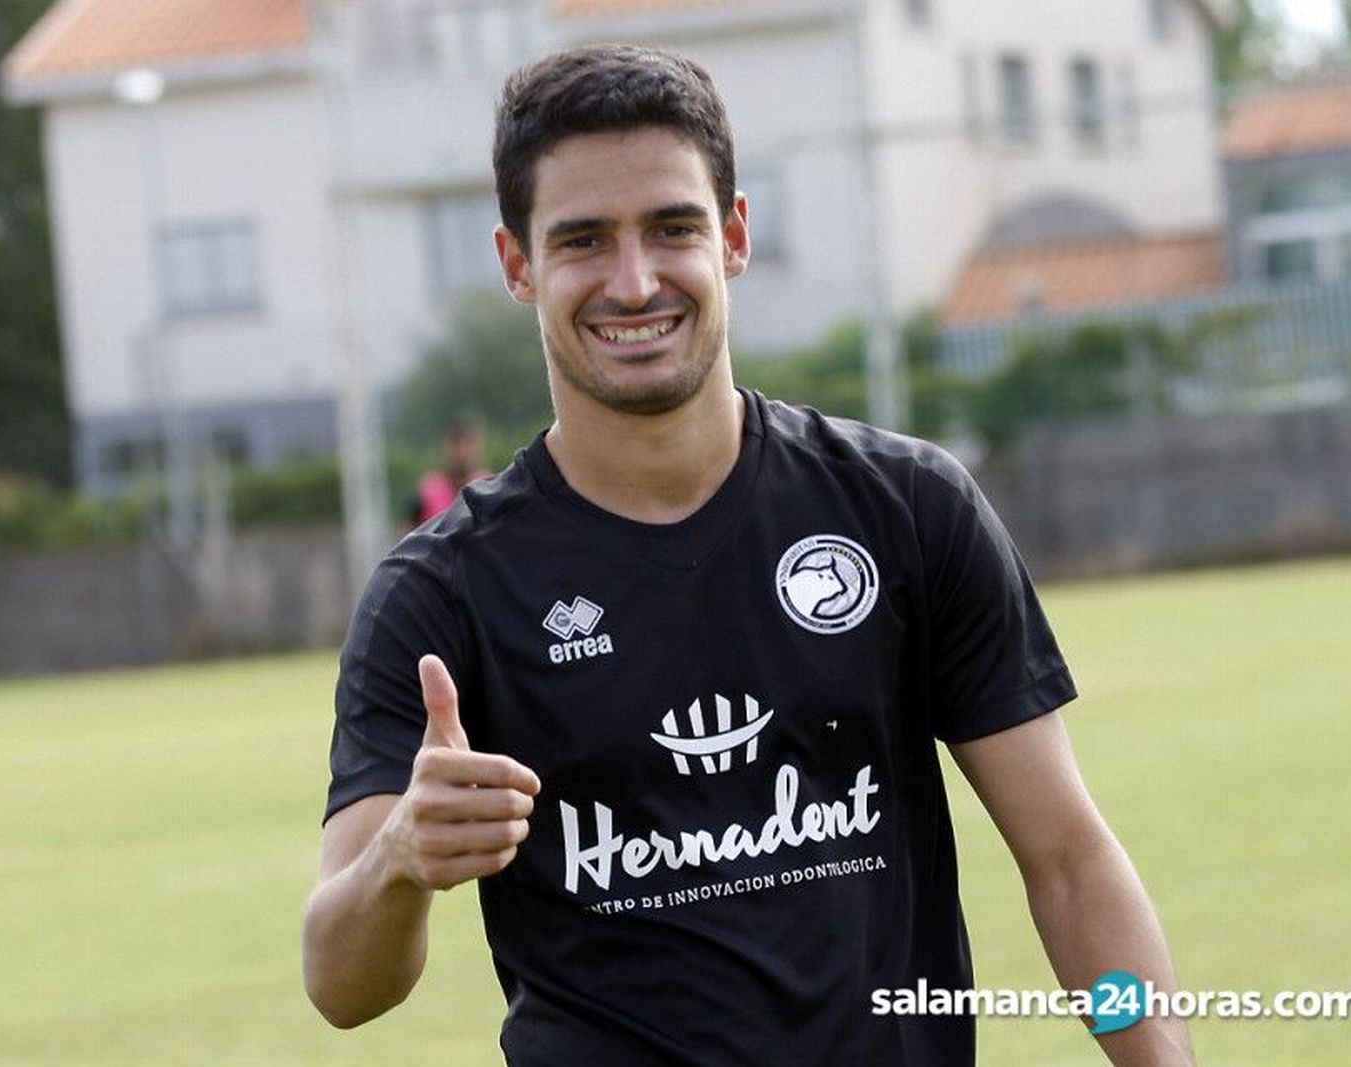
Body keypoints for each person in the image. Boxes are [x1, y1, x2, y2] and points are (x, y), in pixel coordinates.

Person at [302, 44, 1194, 1065]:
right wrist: (400, 861)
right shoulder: (441, 595)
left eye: (670, 228)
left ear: (731, 236)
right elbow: (339, 984)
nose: (633, 281)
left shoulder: (902, 510)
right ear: (518, 265)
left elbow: (1071, 863)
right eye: (583, 240)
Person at [408, 416, 491, 529]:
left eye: (468, 443)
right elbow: (406, 537)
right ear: (443, 447)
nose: (462, 451)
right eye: (455, 443)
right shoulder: (425, 493)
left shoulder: (490, 489)